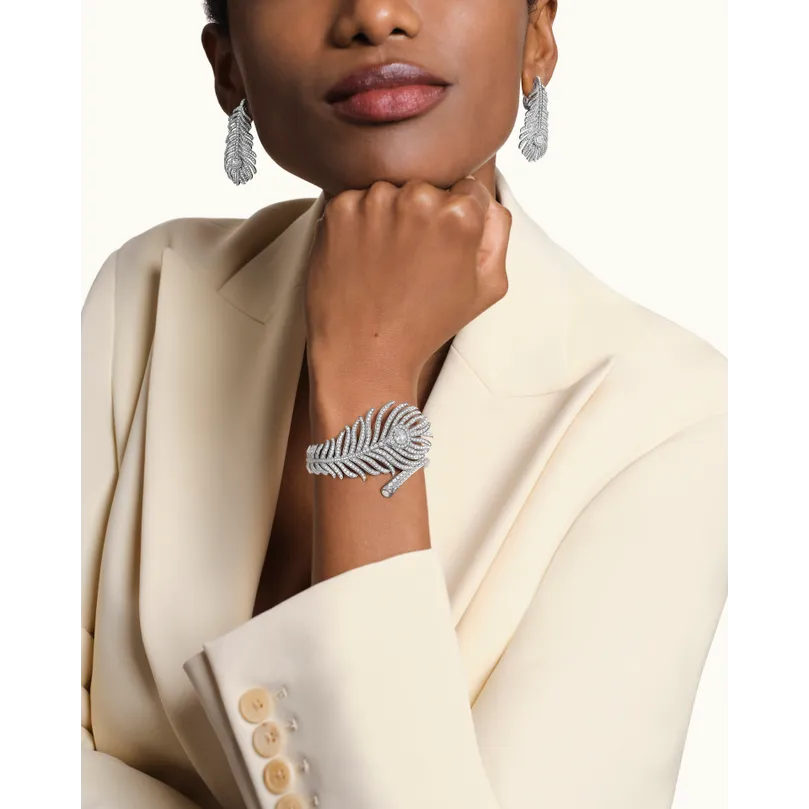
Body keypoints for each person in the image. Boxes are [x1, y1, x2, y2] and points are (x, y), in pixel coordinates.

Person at [79, 1, 728, 808]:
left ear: (536, 34)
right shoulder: (146, 291)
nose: (375, 14)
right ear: (228, 65)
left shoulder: (670, 414)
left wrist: (366, 372)